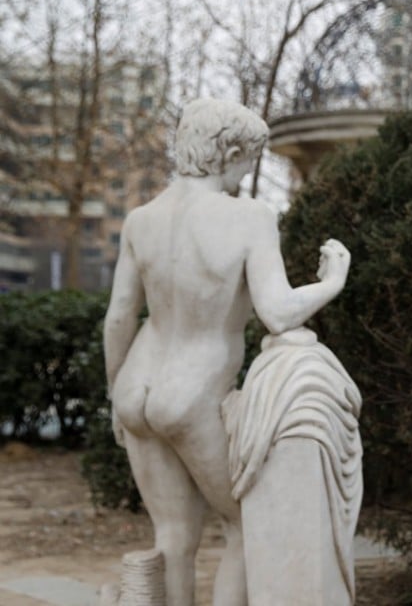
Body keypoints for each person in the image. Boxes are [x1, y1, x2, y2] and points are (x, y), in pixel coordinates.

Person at [103, 99, 351, 606]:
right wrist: (331, 281)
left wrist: (114, 396)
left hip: (135, 386)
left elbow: (119, 317)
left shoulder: (141, 220)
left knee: (172, 538)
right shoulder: (250, 217)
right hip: (191, 393)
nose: (247, 172)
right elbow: (278, 312)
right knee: (243, 526)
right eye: (249, 159)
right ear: (231, 150)